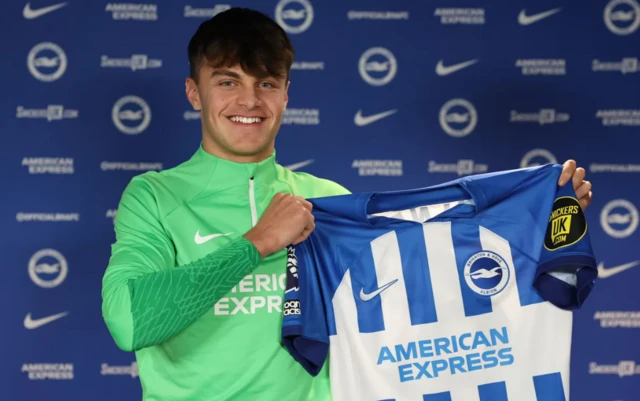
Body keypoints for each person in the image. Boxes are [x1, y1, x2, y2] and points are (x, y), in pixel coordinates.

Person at [100, 7, 594, 401]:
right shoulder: (154, 196)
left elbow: (435, 292)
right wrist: (257, 243)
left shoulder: (329, 201)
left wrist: (541, 224)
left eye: (266, 83)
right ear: (194, 93)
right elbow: (131, 321)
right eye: (228, 81)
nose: (249, 100)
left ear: (287, 94)